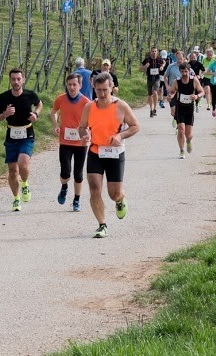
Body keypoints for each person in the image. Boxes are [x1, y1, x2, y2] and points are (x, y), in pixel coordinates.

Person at [79, 73, 140, 238]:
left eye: (105, 90)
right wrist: (84, 135)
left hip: (115, 153)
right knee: (94, 188)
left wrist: (120, 136)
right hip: (95, 151)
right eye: (98, 90)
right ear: (94, 89)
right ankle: (102, 225)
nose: (102, 94)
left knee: (113, 193)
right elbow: (82, 127)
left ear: (112, 88)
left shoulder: (121, 106)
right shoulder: (89, 107)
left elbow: (135, 126)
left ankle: (120, 199)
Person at [0, 68, 43, 212]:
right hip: (11, 134)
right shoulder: (4, 97)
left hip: (27, 133)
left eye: (18, 79)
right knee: (12, 171)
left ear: (23, 80)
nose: (16, 82)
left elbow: (39, 104)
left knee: (23, 162)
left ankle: (25, 183)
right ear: (10, 80)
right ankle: (16, 198)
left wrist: (36, 114)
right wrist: (5, 114)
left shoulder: (29, 95)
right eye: (13, 79)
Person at [51, 73, 91, 212]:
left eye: (75, 84)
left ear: (80, 85)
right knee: (65, 172)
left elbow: (91, 121)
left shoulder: (86, 102)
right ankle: (64, 187)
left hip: (81, 143)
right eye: (69, 84)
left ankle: (76, 200)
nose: (72, 87)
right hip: (65, 141)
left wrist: (88, 134)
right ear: (66, 85)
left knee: (78, 174)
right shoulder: (60, 99)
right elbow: (53, 112)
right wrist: (56, 125)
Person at [169, 62, 204, 157]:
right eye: (182, 72)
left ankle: (188, 141)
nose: (184, 73)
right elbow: (172, 92)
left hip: (189, 108)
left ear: (189, 71)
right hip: (180, 108)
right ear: (179, 72)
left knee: (188, 134)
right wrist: (171, 95)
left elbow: (202, 91)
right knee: (181, 130)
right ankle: (181, 150)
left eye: (186, 71)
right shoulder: (177, 81)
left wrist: (197, 96)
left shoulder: (194, 81)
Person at [141, 47, 165, 118]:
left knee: (155, 92)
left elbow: (164, 63)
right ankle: (151, 109)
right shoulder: (147, 60)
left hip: (157, 78)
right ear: (151, 52)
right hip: (149, 79)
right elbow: (140, 69)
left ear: (157, 52)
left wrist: (162, 67)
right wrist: (145, 66)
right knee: (150, 95)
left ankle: (155, 108)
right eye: (153, 51)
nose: (154, 52)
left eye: (155, 51)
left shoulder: (159, 59)